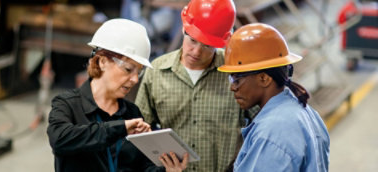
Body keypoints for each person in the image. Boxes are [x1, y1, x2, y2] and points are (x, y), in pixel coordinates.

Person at [47, 18, 188, 172]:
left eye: (139, 73)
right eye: (128, 69)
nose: (135, 79)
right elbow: (60, 140)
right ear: (102, 62)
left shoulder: (131, 113)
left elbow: (142, 167)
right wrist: (120, 128)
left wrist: (166, 170)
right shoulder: (67, 105)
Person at [135, 0, 258, 171]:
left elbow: (262, 124)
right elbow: (141, 129)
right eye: (192, 40)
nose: (196, 52)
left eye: (207, 45)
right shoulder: (156, 72)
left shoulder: (235, 71)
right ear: (183, 28)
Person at [217, 23, 330, 171]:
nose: (232, 87)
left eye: (237, 79)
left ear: (264, 78)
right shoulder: (307, 113)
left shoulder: (271, 134)